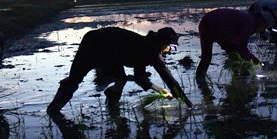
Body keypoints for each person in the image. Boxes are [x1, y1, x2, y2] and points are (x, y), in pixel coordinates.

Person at [47, 26, 191, 113]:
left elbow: (140, 77)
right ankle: (54, 110)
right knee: (75, 79)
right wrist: (186, 102)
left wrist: (160, 90)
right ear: (162, 42)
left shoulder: (148, 46)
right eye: (170, 47)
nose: (170, 50)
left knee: (119, 80)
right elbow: (166, 78)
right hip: (97, 44)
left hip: (107, 50)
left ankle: (112, 104)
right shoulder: (151, 52)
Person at [195, 8, 275, 83]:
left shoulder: (250, 19)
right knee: (210, 56)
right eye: (265, 27)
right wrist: (256, 61)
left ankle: (237, 78)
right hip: (210, 24)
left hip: (212, 24)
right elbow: (242, 46)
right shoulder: (249, 23)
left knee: (231, 54)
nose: (263, 29)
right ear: (262, 22)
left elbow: (237, 42)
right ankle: (201, 81)